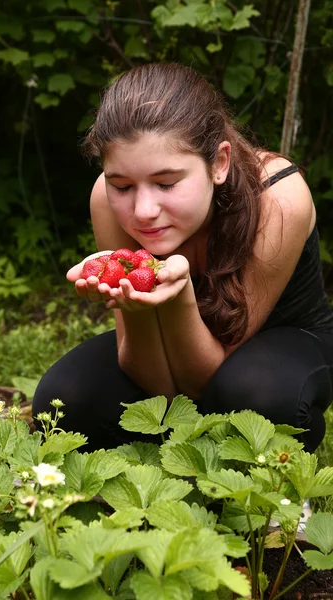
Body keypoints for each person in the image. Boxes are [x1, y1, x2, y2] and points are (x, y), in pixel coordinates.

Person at [33, 62, 333, 454]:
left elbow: (204, 385)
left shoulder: (277, 199)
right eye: (121, 185)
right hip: (176, 346)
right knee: (64, 397)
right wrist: (139, 306)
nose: (142, 211)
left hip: (281, 338)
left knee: (250, 394)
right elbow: (156, 383)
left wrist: (179, 295)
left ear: (219, 163)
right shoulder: (105, 201)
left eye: (166, 183)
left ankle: (282, 492)